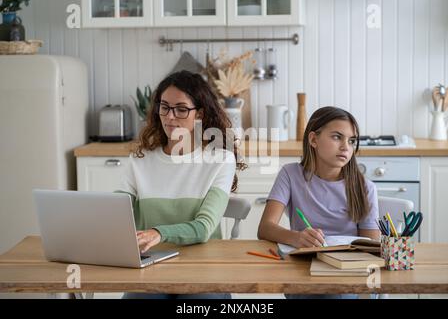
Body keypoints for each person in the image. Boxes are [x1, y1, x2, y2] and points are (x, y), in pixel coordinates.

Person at [119, 71, 245, 299]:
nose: (170, 116)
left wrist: (159, 233)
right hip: (150, 268)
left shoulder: (220, 160)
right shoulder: (140, 160)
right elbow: (115, 213)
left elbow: (205, 226)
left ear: (200, 114)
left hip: (204, 270)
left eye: (181, 109)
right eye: (164, 107)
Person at [257, 106, 380, 299]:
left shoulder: (365, 187)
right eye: (337, 137)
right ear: (313, 139)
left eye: (351, 140)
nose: (346, 147)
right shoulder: (290, 174)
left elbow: (371, 247)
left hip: (350, 276)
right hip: (304, 272)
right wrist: (296, 238)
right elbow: (265, 228)